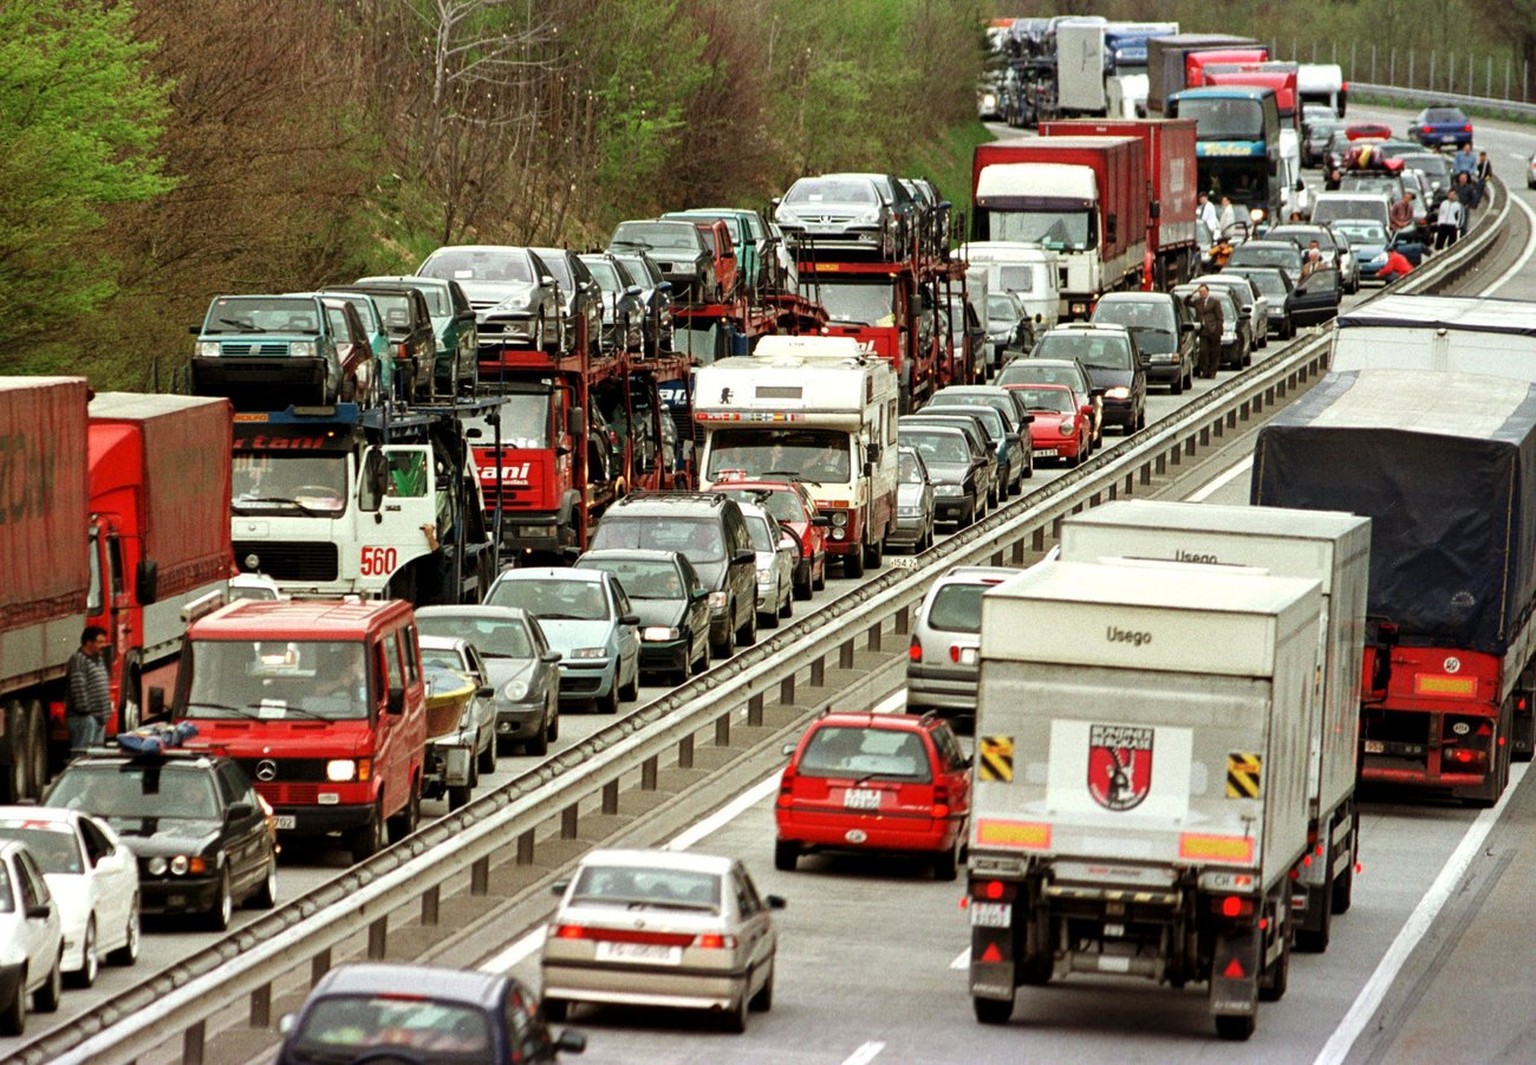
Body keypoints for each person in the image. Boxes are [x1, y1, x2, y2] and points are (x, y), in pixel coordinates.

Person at [65, 626, 112, 755]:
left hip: (98, 719)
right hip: (84, 719)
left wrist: (104, 714)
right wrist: (87, 713)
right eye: (100, 642)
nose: (104, 645)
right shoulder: (79, 659)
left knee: (95, 757)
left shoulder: (99, 659)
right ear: (88, 643)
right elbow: (78, 687)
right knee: (83, 755)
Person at [1187, 284, 1223, 379]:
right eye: (1200, 292)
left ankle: (1212, 371)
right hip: (1202, 331)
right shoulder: (1197, 302)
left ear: (1207, 292)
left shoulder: (1214, 302)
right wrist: (1192, 293)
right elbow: (1186, 302)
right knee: (1203, 351)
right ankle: (1205, 371)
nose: (1201, 294)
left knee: (1214, 352)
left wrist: (1218, 329)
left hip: (1213, 330)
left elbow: (1220, 317)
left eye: (1203, 292)